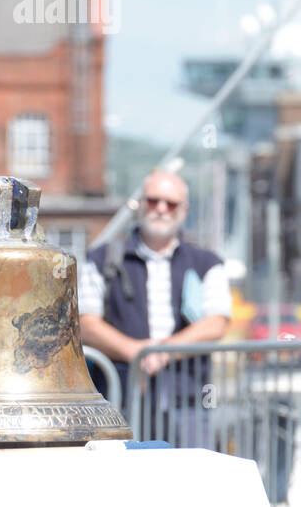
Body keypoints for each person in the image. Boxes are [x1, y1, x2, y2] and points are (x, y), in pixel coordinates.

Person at [79, 169, 231, 438]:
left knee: (189, 477)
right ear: (140, 203)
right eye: (153, 200)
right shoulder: (100, 259)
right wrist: (135, 353)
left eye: (171, 203)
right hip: (118, 400)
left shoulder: (207, 262)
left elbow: (216, 323)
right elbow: (85, 323)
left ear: (184, 210)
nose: (161, 209)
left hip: (189, 401)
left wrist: (162, 352)